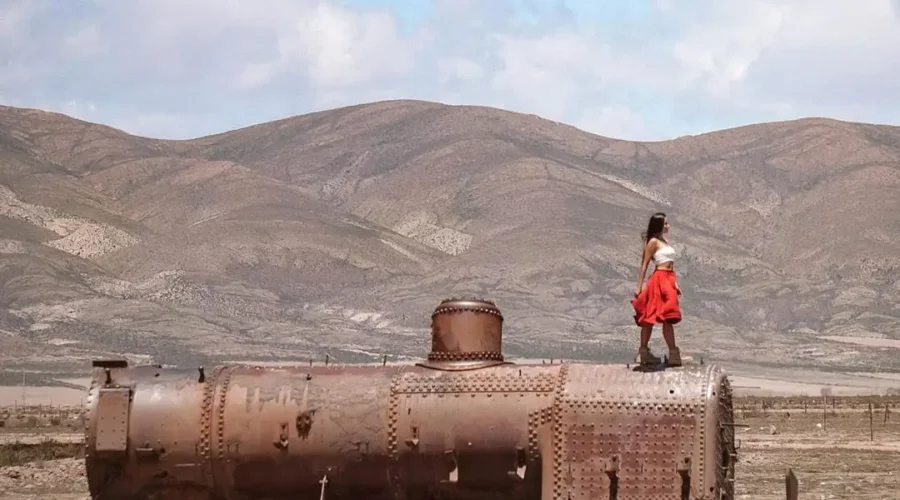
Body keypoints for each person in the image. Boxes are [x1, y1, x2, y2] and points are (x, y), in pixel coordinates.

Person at [631, 212, 682, 366]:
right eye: (665, 223)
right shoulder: (653, 242)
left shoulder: (663, 241)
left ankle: (673, 353)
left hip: (668, 278)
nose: (668, 226)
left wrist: (675, 284)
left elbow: (669, 263)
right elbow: (644, 263)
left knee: (669, 316)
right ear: (658, 225)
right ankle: (644, 352)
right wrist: (639, 285)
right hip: (659, 278)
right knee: (649, 316)